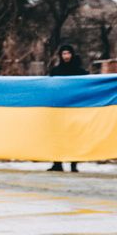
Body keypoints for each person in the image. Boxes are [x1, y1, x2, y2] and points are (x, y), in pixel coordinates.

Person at [47, 44, 89, 173]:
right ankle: (57, 163)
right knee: (57, 136)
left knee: (74, 136)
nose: (66, 56)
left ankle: (73, 164)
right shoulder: (55, 71)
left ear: (72, 54)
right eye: (64, 53)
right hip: (58, 109)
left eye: (68, 53)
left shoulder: (80, 72)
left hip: (74, 108)